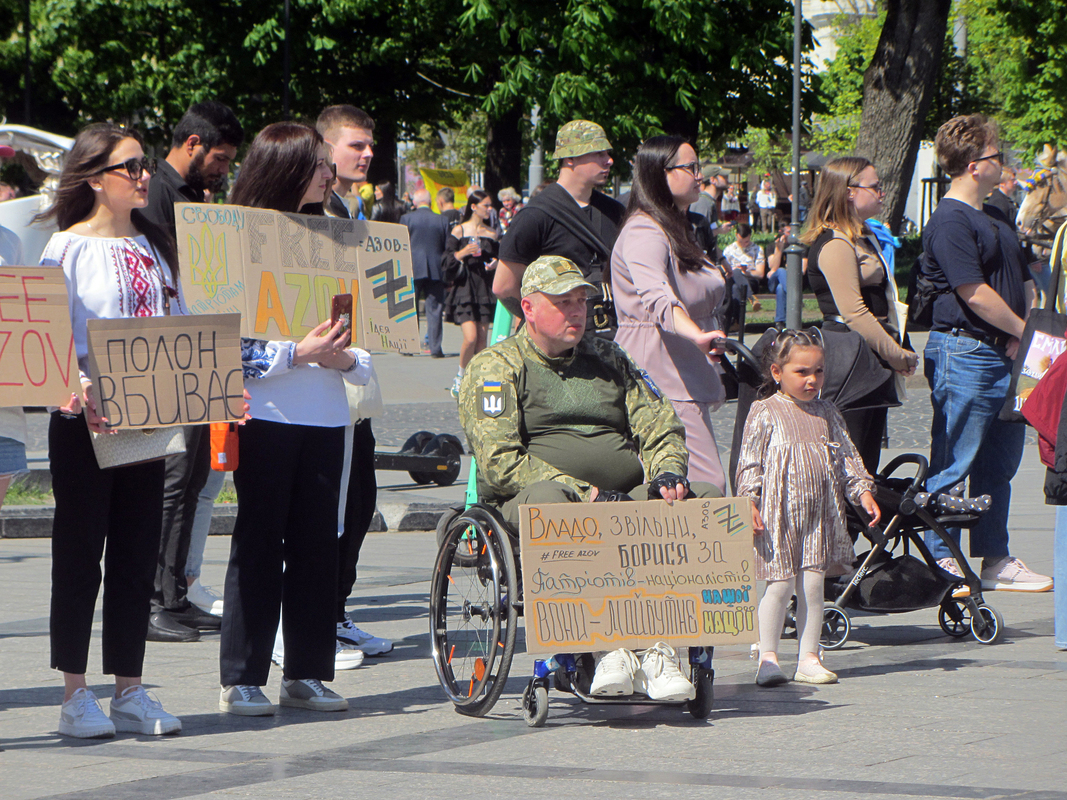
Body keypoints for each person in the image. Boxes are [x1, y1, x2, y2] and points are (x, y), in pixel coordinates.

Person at [460, 255, 721, 700]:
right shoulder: (496, 366)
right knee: (553, 505)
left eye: (581, 300)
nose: (577, 311)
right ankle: (605, 647)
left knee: (706, 498)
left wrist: (667, 472)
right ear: (528, 308)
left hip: (621, 497)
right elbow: (499, 460)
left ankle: (660, 648)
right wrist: (588, 494)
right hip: (538, 498)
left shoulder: (609, 356)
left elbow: (659, 422)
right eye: (563, 302)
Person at [218, 121, 374, 717]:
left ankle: (307, 670)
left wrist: (345, 359)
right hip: (267, 415)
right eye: (317, 165)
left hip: (328, 416)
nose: (328, 174)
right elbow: (226, 344)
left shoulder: (339, 239)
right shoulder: (239, 242)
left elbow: (367, 343)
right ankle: (243, 675)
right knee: (259, 540)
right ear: (285, 167)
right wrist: (296, 353)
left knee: (318, 544)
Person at [37, 123, 185, 738]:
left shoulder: (154, 246)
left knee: (134, 555)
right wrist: (75, 382)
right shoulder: (64, 250)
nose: (144, 175)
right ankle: (75, 695)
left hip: (146, 423)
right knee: (79, 558)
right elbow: (47, 342)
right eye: (131, 167)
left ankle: (130, 687)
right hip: (82, 425)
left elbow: (180, 327)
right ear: (96, 179)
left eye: (144, 165)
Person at [919, 114, 1050, 592]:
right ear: (975, 165)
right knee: (955, 462)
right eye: (998, 155)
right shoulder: (950, 221)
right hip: (967, 351)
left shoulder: (996, 213)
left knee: (1000, 464)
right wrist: (1023, 331)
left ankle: (994, 557)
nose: (1005, 162)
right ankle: (944, 559)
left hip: (1006, 354)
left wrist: (1028, 327)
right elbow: (972, 292)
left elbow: (1027, 276)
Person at [139, 101, 245, 643]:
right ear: (194, 144)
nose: (225, 169)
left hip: (201, 347)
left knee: (197, 475)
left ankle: (175, 593)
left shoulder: (191, 196)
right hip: (171, 352)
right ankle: (151, 599)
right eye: (221, 158)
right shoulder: (156, 194)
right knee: (173, 479)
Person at [735, 330, 881, 687]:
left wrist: (862, 491)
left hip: (819, 516)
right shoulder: (765, 410)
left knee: (814, 587)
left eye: (818, 371)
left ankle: (809, 656)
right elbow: (750, 462)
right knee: (780, 585)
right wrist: (749, 501)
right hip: (777, 516)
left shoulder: (827, 412)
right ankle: (768, 656)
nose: (812, 379)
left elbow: (847, 456)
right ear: (777, 373)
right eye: (802, 372)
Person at [610, 135, 729, 491]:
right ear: (660, 174)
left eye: (699, 167)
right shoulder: (645, 230)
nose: (699, 176)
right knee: (706, 486)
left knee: (691, 486)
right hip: (661, 368)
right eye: (690, 167)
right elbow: (657, 297)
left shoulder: (676, 227)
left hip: (683, 366)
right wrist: (697, 334)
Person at [801, 156, 917, 474]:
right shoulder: (835, 243)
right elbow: (853, 312)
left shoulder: (862, 236)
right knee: (852, 462)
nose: (882, 192)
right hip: (850, 360)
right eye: (875, 186)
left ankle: (862, 523)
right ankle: (849, 525)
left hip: (869, 357)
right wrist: (896, 354)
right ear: (849, 191)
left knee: (866, 460)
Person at [494, 120, 624, 332]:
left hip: (609, 337)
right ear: (570, 158)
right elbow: (503, 287)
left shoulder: (615, 211)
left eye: (607, 153)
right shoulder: (535, 215)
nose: (608, 160)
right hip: (557, 346)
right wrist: (543, 323)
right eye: (598, 153)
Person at [443, 190, 498, 397]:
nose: (489, 209)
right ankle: (460, 375)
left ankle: (478, 377)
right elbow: (447, 261)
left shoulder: (491, 233)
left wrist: (495, 263)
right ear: (473, 207)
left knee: (483, 339)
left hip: (483, 286)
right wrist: (461, 253)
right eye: (486, 205)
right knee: (471, 336)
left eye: (490, 205)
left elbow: (498, 257)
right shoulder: (459, 230)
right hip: (465, 287)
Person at [401, 189, 451, 358]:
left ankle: (408, 346)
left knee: (410, 308)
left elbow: (401, 244)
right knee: (435, 309)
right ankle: (435, 348)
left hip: (411, 267)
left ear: (415, 202)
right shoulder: (442, 220)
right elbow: (446, 247)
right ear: (430, 202)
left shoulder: (407, 219)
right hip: (436, 268)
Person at [317, 105, 374, 220]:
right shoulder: (313, 211)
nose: (369, 153)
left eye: (371, 146)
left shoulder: (343, 207)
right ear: (327, 149)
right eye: (357, 146)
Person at [765, 223, 806, 328]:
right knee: (781, 271)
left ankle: (780, 322)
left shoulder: (801, 247)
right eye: (788, 232)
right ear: (782, 232)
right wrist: (779, 249)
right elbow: (773, 268)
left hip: (791, 282)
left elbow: (802, 270)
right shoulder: (771, 246)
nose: (791, 234)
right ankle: (796, 298)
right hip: (773, 282)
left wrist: (792, 268)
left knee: (781, 288)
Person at [722, 223, 766, 317]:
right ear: (736, 235)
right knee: (736, 274)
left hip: (750, 280)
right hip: (732, 279)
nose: (743, 245)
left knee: (735, 287)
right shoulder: (729, 250)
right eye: (740, 241)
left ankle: (737, 322)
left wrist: (746, 272)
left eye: (746, 242)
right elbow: (724, 270)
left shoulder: (757, 249)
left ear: (750, 236)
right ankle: (751, 297)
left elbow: (760, 274)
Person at [986, 166, 1018, 231]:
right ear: (1002, 184)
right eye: (1012, 180)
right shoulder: (998, 201)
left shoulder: (1005, 199)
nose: (1016, 182)